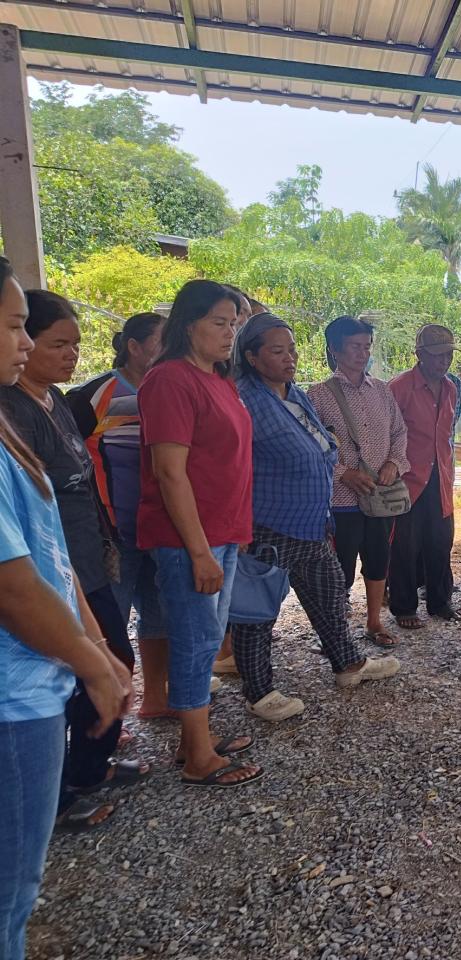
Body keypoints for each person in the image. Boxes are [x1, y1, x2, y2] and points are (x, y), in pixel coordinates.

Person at [0, 256, 131, 960]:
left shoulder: (18, 418)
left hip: (36, 672)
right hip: (11, 695)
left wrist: (91, 640)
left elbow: (44, 542)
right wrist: (90, 657)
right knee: (9, 893)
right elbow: (13, 583)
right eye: (17, 326)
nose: (24, 345)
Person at [0, 290, 148, 829]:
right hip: (49, 568)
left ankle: (87, 768)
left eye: (74, 345)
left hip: (83, 556)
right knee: (88, 669)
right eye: (55, 343)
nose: (69, 356)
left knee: (110, 656)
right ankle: (68, 784)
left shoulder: (53, 399)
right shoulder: (11, 410)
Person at [229, 314, 400, 720]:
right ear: (252, 357)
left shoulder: (293, 393)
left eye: (291, 349)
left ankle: (347, 664)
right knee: (259, 611)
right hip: (269, 521)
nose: (289, 358)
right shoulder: (246, 399)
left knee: (327, 594)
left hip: (311, 521)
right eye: (277, 351)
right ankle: (260, 692)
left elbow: (322, 441)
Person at [137, 279, 263, 787]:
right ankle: (198, 759)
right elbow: (170, 472)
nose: (230, 332)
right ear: (187, 324)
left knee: (208, 636)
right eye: (219, 322)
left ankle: (197, 739)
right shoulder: (169, 380)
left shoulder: (217, 377)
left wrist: (236, 532)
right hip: (189, 538)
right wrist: (198, 551)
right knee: (195, 641)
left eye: (234, 323)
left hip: (222, 531)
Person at [68, 312, 171, 719]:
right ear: (133, 346)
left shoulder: (167, 390)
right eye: (160, 342)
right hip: (112, 532)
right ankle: (106, 718)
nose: (166, 351)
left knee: (158, 617)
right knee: (111, 625)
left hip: (158, 527)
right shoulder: (97, 394)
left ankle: (156, 700)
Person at [308, 316, 409, 647]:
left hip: (380, 496)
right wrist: (343, 474)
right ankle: (336, 633)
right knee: (340, 567)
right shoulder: (319, 395)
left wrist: (394, 463)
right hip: (341, 499)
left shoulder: (381, 391)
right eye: (354, 347)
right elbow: (312, 446)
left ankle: (374, 621)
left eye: (366, 346)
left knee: (379, 558)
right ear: (334, 350)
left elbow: (399, 431)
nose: (362, 353)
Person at [388, 324, 461, 627]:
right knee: (404, 544)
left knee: (441, 540)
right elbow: (387, 434)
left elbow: (446, 435)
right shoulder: (399, 387)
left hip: (440, 477)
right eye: (436, 355)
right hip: (407, 478)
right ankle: (404, 607)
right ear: (419, 355)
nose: (443, 361)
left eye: (447, 355)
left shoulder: (451, 388)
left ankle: (440, 601)